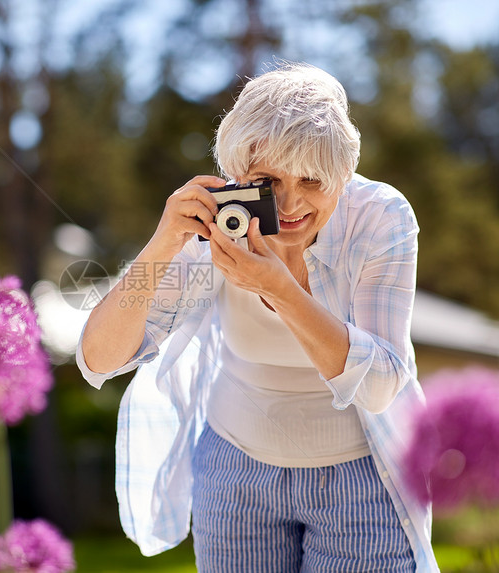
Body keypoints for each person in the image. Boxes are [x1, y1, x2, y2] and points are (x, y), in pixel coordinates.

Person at [76, 61, 438, 572]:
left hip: (363, 475)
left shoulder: (379, 218)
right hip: (236, 474)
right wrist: (162, 244)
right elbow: (97, 358)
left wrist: (278, 287)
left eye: (312, 180)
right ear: (237, 174)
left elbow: (382, 384)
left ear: (343, 175)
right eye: (267, 181)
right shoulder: (222, 223)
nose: (290, 204)